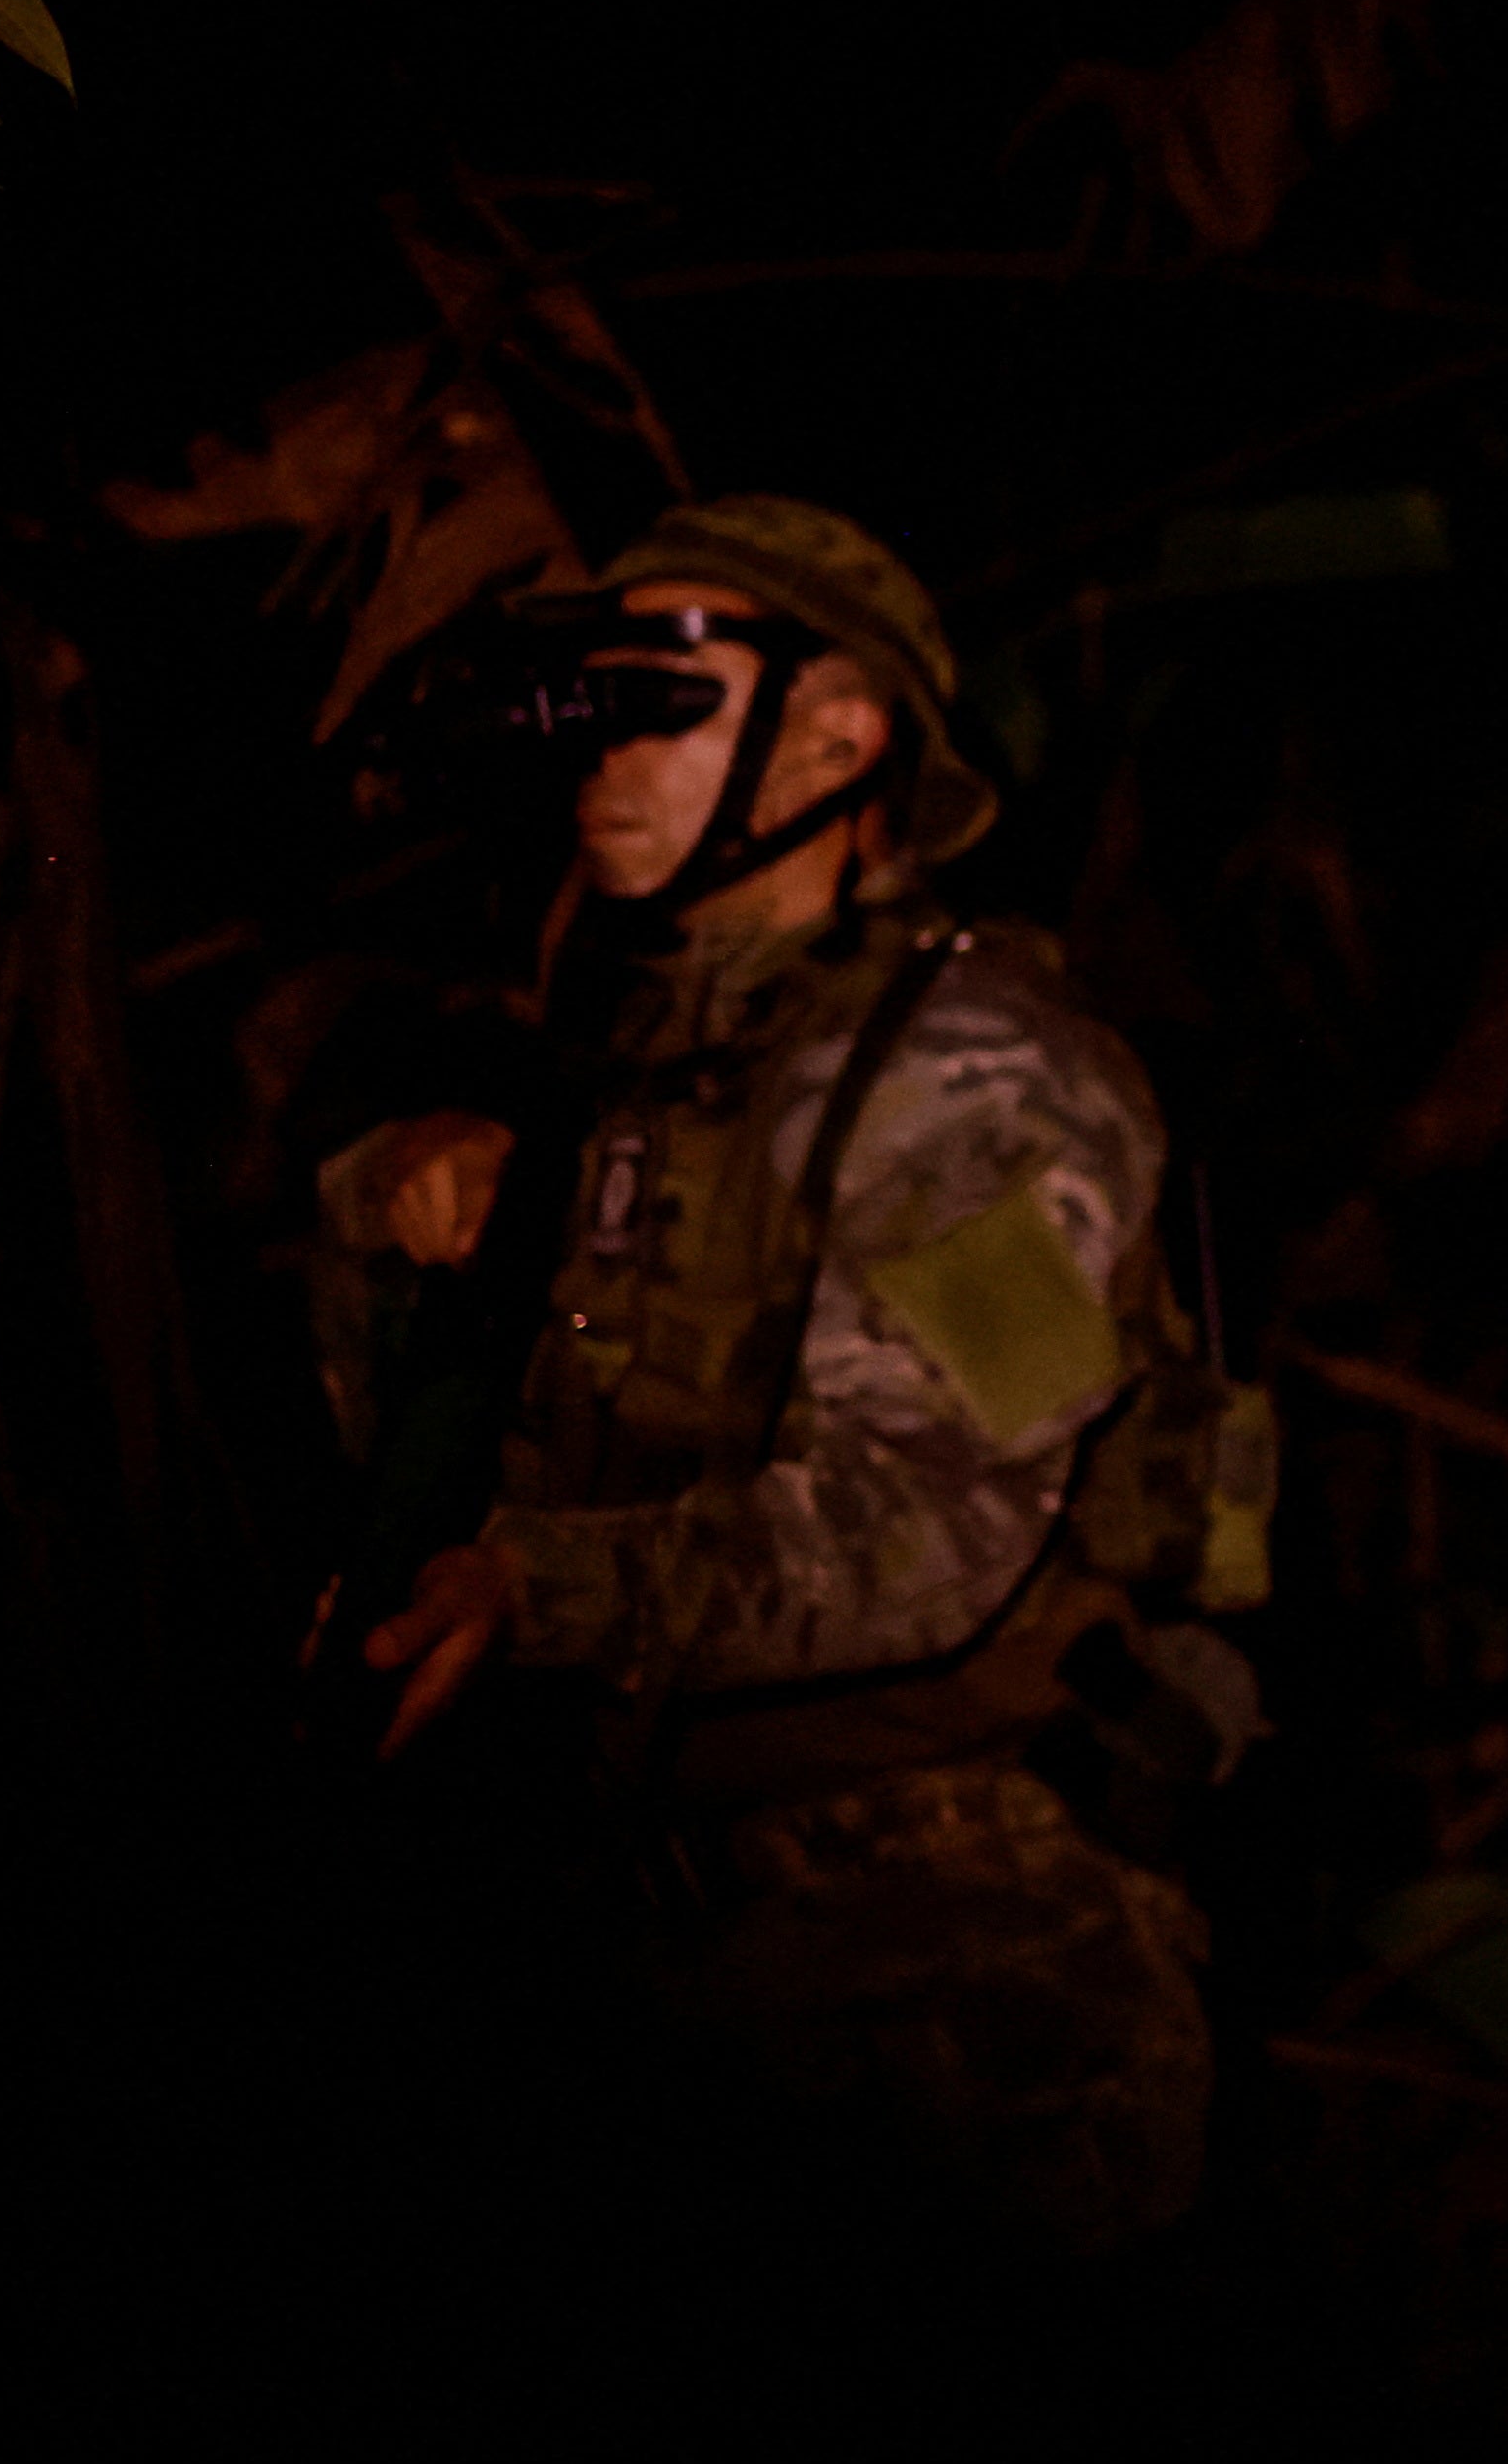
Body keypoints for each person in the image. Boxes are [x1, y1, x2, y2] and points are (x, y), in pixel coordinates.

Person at [324, 493, 1222, 2271]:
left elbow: (937, 1521)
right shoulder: (652, 1059)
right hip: (656, 1953)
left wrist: (536, 1588)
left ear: (838, 732)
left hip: (951, 1978)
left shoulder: (978, 1076)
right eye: (590, 689)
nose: (604, 747)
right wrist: (389, 1204)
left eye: (665, 685)